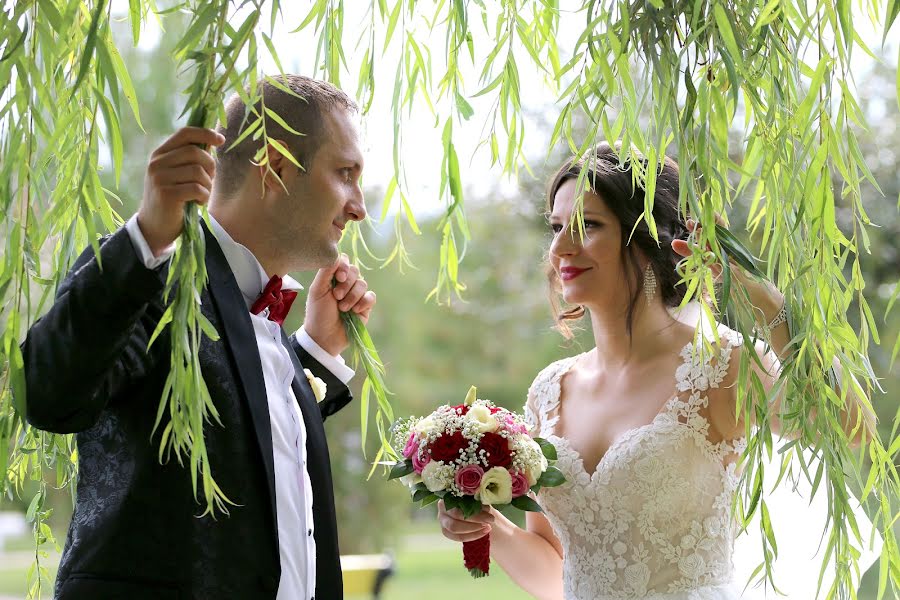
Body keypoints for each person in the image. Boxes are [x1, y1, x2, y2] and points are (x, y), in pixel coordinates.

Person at [437, 142, 878, 599]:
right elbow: (556, 571)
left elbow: (852, 425)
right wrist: (486, 526)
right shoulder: (550, 390)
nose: (560, 248)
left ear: (648, 241)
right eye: (555, 227)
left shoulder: (721, 365)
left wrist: (767, 304)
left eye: (587, 225)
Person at [21, 75, 372, 599]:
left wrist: (313, 355)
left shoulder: (267, 316)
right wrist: (145, 236)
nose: (358, 204)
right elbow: (48, 394)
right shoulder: (151, 281)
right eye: (345, 174)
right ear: (276, 168)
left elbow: (239, 445)